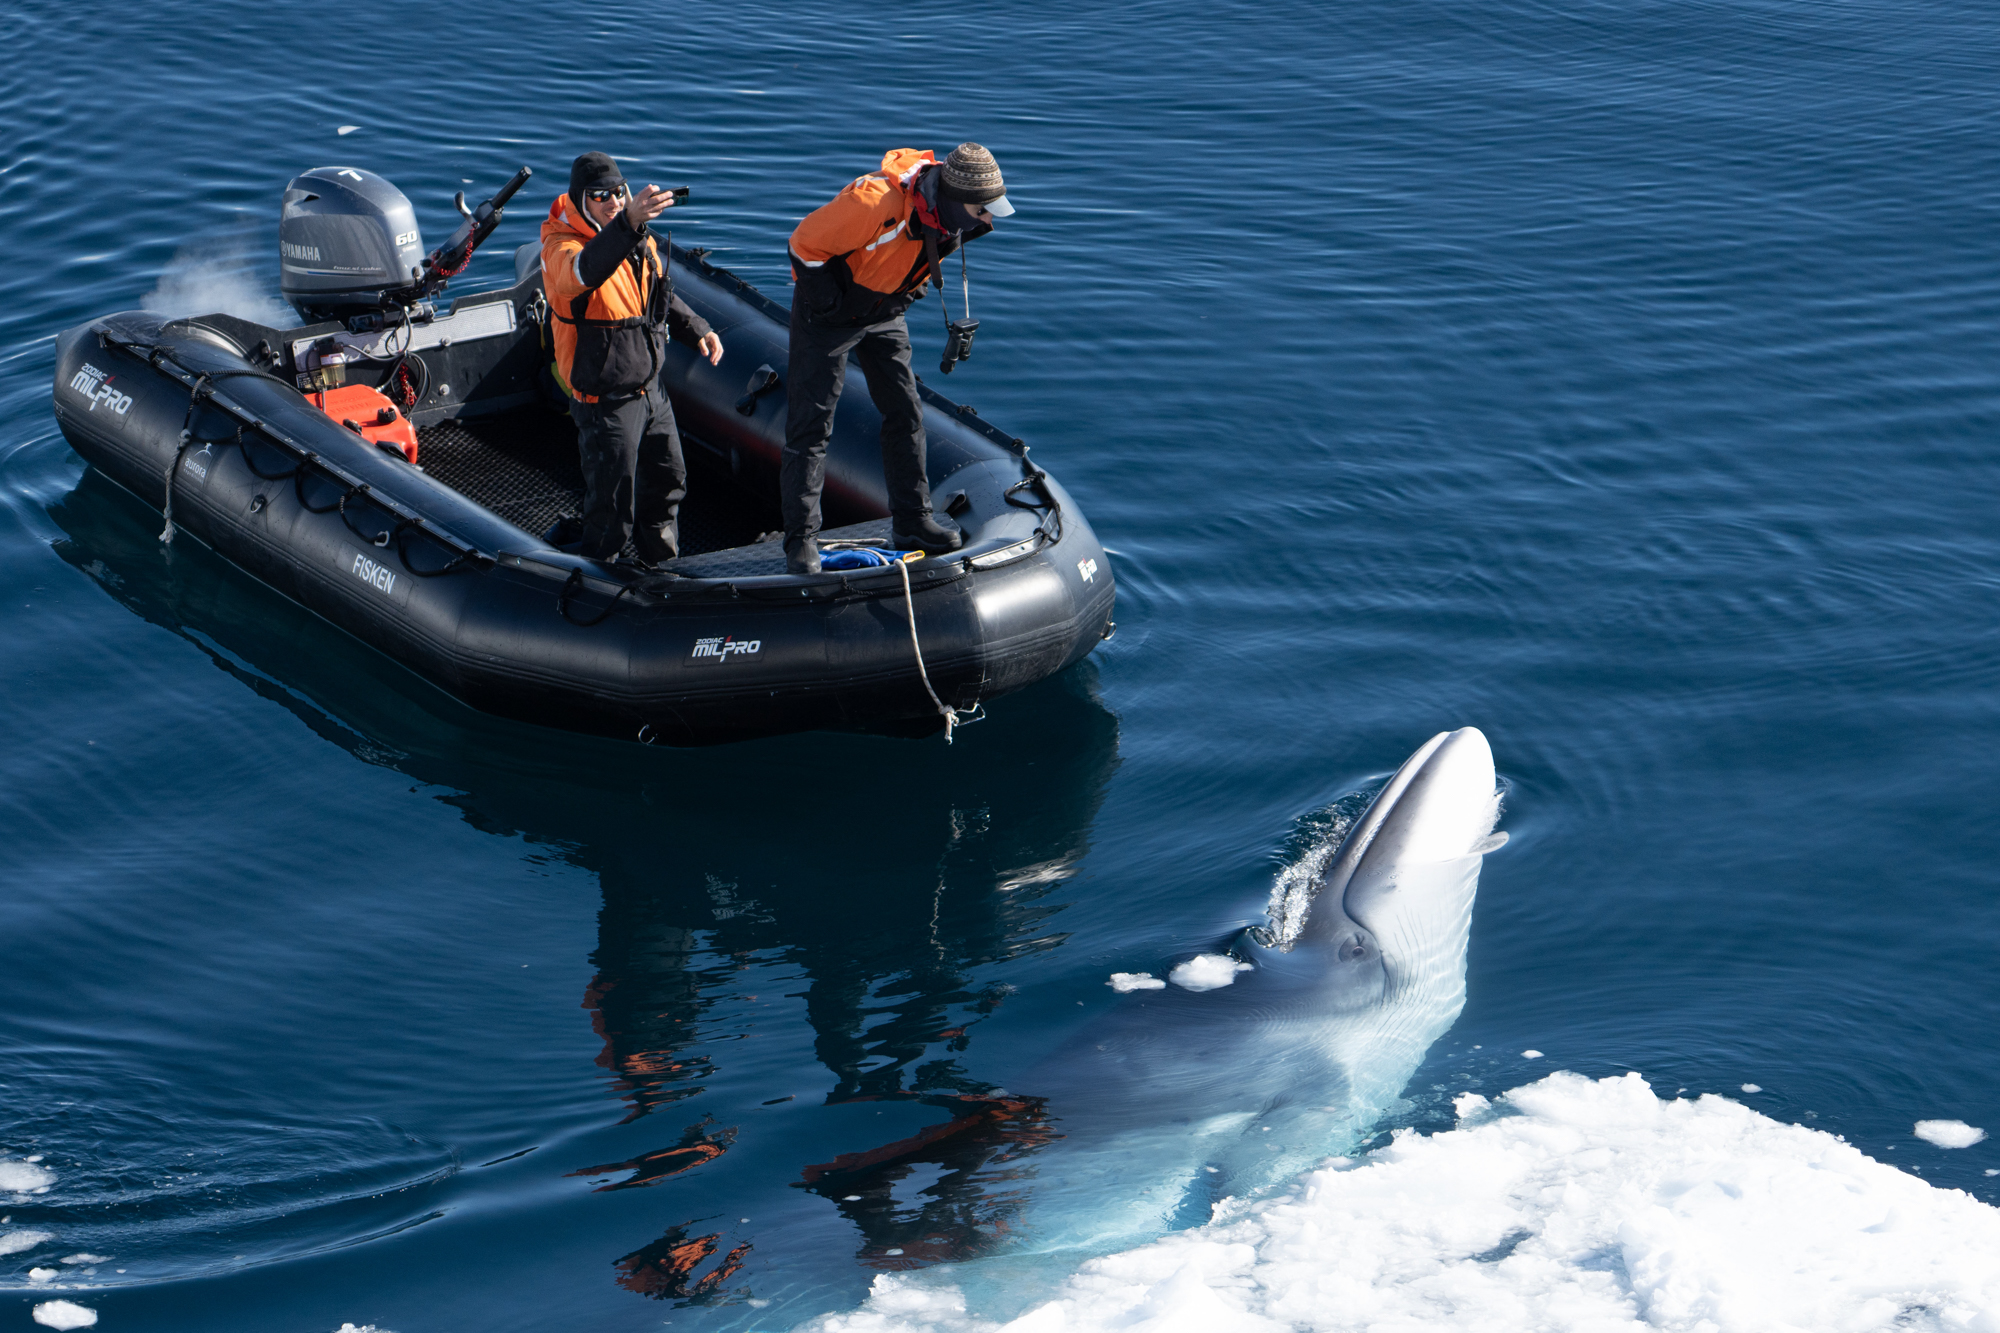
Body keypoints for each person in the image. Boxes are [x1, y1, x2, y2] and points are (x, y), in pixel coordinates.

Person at [780, 143, 1015, 574]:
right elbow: (802, 246)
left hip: (885, 309)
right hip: (829, 316)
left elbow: (913, 256)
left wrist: (902, 294)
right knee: (811, 425)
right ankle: (801, 540)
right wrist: (834, 305)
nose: (989, 220)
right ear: (953, 198)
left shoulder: (950, 216)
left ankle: (912, 522)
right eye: (983, 210)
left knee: (906, 412)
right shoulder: (874, 202)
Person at [540, 151, 724, 565]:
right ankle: (593, 585)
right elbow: (585, 273)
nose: (612, 201)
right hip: (605, 403)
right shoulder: (560, 246)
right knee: (611, 511)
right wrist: (627, 222)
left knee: (668, 483)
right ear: (580, 199)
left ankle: (661, 568)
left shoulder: (636, 236)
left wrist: (698, 328)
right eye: (600, 195)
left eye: (618, 193)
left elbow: (658, 292)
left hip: (651, 393)